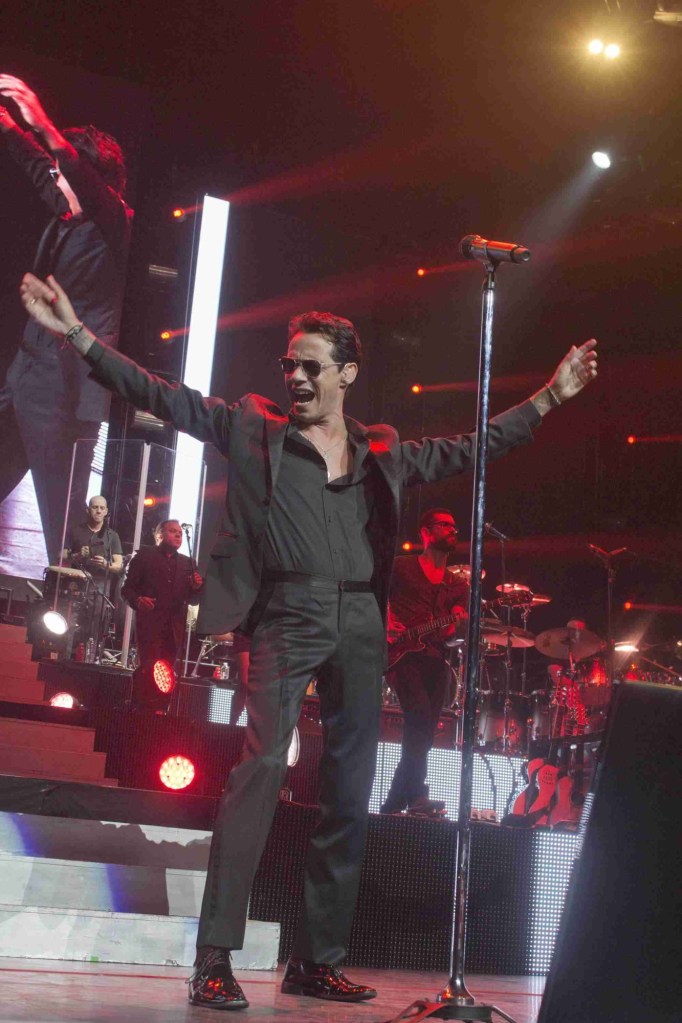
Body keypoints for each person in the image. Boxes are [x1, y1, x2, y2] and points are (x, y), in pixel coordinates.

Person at [20, 271, 598, 1010]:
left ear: (347, 374)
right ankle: (214, 956)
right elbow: (160, 394)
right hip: (287, 614)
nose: (294, 375)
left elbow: (472, 449)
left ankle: (317, 959)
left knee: (349, 790)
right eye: (288, 363)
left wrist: (547, 398)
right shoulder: (252, 428)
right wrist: (77, 334)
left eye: (311, 365)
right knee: (261, 769)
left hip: (361, 623)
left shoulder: (381, 450)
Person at [0, 75, 132, 563]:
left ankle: (71, 607)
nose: (56, 181)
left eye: (66, 176)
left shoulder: (113, 219)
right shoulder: (70, 213)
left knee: (63, 535)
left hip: (66, 401)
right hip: (25, 382)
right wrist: (8, 124)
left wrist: (41, 120)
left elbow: (71, 169)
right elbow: (42, 166)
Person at [381, 507, 467, 817]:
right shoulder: (401, 567)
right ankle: (417, 794)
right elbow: (376, 595)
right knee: (417, 715)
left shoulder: (457, 584)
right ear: (426, 532)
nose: (452, 529)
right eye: (444, 525)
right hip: (402, 654)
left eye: (454, 525)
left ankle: (394, 802)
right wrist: (387, 619)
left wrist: (455, 623)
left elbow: (455, 629)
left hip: (436, 658)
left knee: (426, 732)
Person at [121, 519, 203, 711]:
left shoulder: (188, 563)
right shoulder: (144, 557)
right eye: (173, 531)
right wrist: (138, 600)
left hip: (174, 628)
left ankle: (161, 710)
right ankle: (141, 710)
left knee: (167, 673)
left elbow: (193, 600)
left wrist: (197, 588)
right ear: (159, 535)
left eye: (180, 532)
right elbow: (127, 590)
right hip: (150, 625)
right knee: (149, 669)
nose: (178, 534)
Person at [62, 494, 123, 658]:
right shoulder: (75, 530)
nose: (98, 511)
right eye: (95, 507)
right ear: (88, 510)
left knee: (95, 625)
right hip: (76, 583)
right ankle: (65, 658)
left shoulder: (112, 536)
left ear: (106, 511)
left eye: (102, 508)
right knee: (70, 622)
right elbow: (61, 555)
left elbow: (119, 565)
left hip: (100, 586)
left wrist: (105, 564)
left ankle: (90, 659)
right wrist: (77, 554)